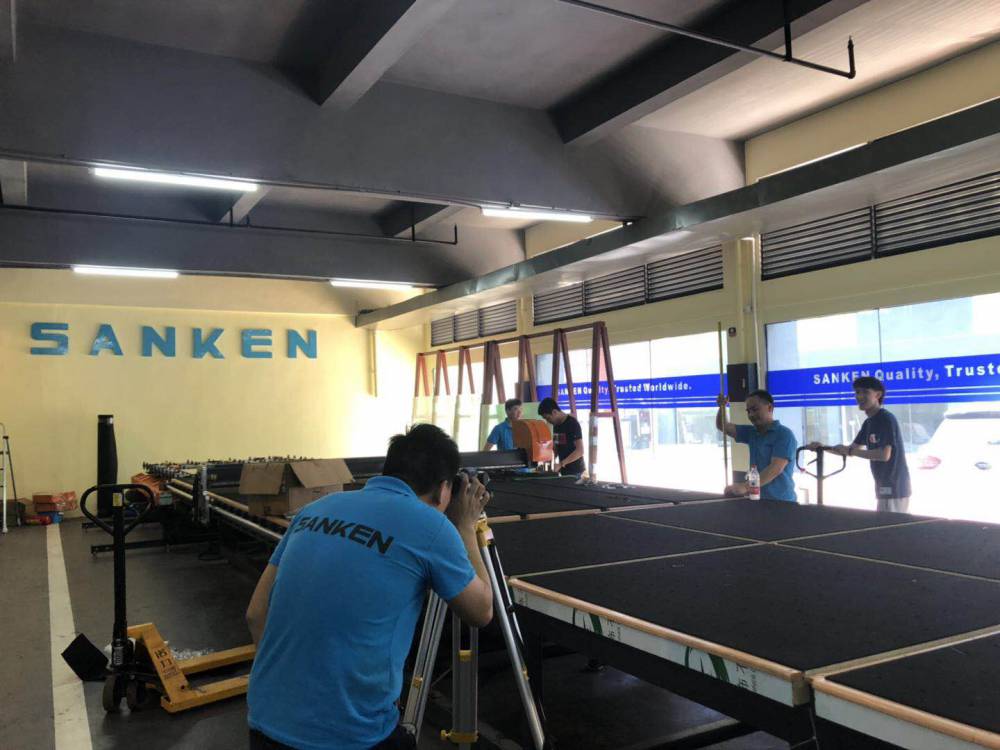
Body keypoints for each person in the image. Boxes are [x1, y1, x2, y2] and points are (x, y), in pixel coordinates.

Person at [245, 424, 494, 750]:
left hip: (265, 719)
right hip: (351, 735)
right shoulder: (431, 526)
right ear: (444, 488)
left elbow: (255, 614)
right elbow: (481, 611)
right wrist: (465, 526)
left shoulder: (314, 510)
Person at [807, 376, 911, 513]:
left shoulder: (885, 419)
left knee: (890, 526)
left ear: (878, 395)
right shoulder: (869, 422)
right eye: (857, 392)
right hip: (883, 487)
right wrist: (822, 447)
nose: (859, 396)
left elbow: (884, 455)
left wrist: (850, 451)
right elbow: (851, 449)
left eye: (865, 392)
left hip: (894, 487)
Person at [716, 389, 798, 502]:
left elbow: (775, 468)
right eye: (748, 411)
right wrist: (722, 407)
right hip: (757, 499)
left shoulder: (784, 435)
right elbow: (723, 426)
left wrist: (745, 487)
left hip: (781, 502)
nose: (751, 415)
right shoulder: (752, 432)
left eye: (755, 409)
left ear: (770, 408)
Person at [538, 397, 585, 476]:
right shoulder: (556, 426)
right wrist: (548, 462)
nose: (548, 421)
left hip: (576, 471)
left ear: (554, 412)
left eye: (548, 418)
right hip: (564, 470)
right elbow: (557, 448)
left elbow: (580, 451)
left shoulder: (572, 424)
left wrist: (561, 464)